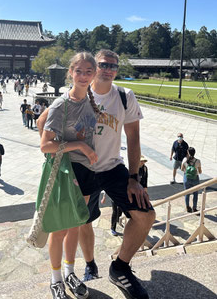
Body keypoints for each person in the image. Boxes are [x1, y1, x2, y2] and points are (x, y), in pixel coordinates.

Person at [38, 49, 155, 299]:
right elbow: (42, 124)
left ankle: (120, 267)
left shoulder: (124, 96)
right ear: (93, 69)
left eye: (114, 65)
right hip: (81, 169)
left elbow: (133, 139)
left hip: (112, 167)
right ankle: (85, 265)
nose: (109, 69)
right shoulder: (78, 94)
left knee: (145, 215)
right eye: (104, 64)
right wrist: (56, 159)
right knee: (78, 222)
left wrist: (135, 179)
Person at [41, 52, 99, 299]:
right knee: (59, 228)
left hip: (87, 172)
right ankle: (55, 280)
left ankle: (69, 272)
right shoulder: (61, 105)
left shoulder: (91, 99)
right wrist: (80, 146)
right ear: (71, 73)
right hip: (66, 172)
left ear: (94, 74)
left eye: (89, 71)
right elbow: (45, 145)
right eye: (79, 71)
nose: (84, 76)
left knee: (76, 225)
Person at [108, 154, 149, 236]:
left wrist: (145, 193)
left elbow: (144, 181)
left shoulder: (144, 169)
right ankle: (113, 227)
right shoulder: (127, 171)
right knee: (116, 212)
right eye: (141, 161)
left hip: (129, 193)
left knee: (125, 211)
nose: (143, 163)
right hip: (117, 194)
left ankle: (128, 227)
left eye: (143, 161)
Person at [181, 147, 202, 213]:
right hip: (195, 178)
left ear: (188, 153)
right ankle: (194, 208)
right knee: (195, 194)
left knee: (187, 193)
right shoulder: (198, 161)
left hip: (186, 178)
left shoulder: (185, 160)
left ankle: (187, 207)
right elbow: (200, 171)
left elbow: (182, 169)